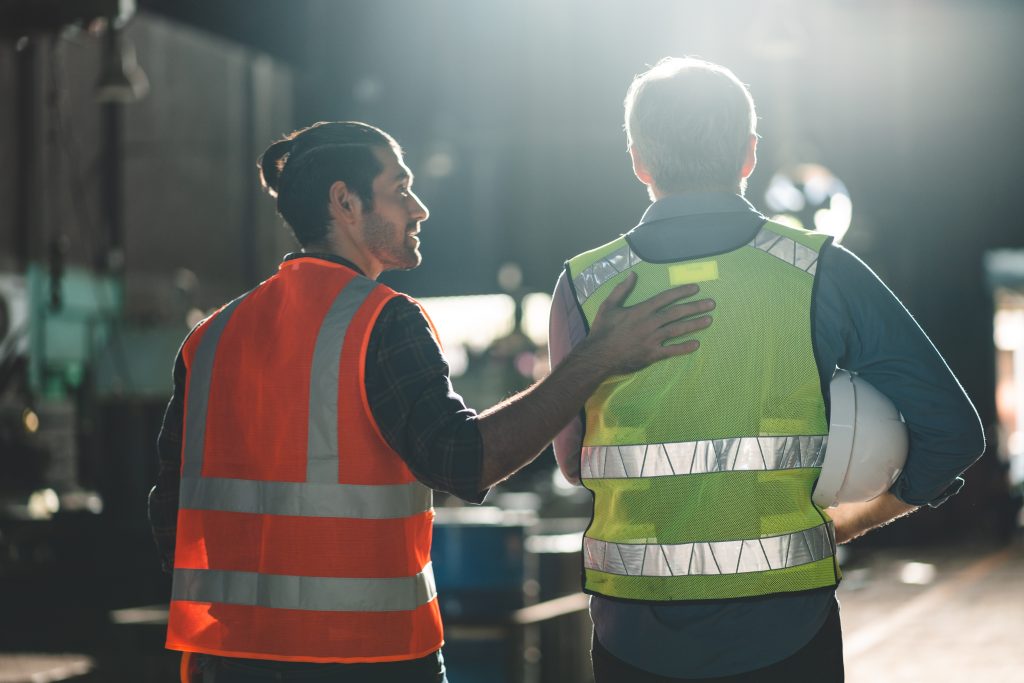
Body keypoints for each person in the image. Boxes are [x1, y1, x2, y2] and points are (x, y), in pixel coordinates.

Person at [147, 120, 715, 682]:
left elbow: (168, 509)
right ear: (345, 202)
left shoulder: (211, 338)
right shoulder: (379, 321)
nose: (417, 209)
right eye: (399, 190)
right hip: (363, 660)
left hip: (224, 660)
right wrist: (596, 358)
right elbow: (465, 462)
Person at [549, 57, 985, 682]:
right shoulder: (821, 271)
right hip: (786, 636)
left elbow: (573, 461)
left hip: (633, 638)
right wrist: (849, 521)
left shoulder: (584, 284)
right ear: (749, 154)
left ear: (638, 159)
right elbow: (954, 434)